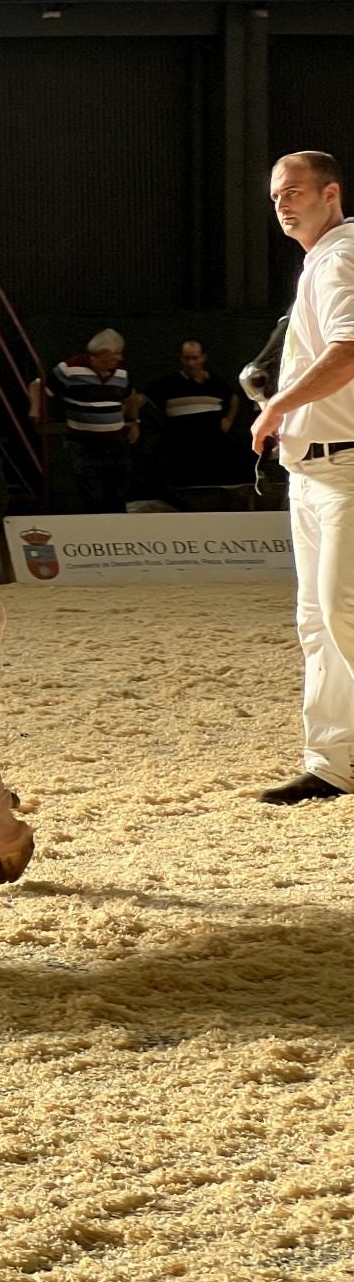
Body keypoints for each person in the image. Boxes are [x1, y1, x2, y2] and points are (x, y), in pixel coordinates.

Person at [251, 151, 354, 805]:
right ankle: (333, 763)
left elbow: (348, 351)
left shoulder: (341, 256)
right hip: (314, 468)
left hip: (345, 465)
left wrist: (277, 405)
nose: (283, 204)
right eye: (276, 197)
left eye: (294, 192)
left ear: (331, 193)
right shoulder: (322, 259)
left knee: (341, 616)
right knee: (319, 621)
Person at [29, 328, 140, 512]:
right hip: (85, 444)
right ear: (103, 354)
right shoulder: (70, 370)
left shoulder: (121, 373)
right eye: (116, 354)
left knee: (119, 493)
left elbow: (130, 396)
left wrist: (134, 421)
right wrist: (35, 409)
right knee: (92, 495)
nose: (120, 358)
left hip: (116, 443)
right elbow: (37, 386)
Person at [135, 340, 241, 492]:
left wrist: (228, 420)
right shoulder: (169, 382)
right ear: (181, 359)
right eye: (187, 358)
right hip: (181, 450)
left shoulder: (216, 382)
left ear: (203, 357)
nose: (191, 363)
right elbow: (142, 399)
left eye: (194, 358)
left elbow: (234, 400)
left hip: (212, 449)